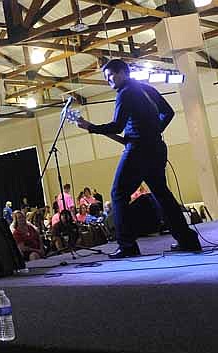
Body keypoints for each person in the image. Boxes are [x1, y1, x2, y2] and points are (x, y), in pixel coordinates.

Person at [73, 58, 200, 258]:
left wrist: (91, 127)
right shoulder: (146, 89)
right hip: (157, 148)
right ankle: (187, 239)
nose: (109, 81)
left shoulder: (124, 94)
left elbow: (117, 126)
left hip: (138, 150)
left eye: (110, 76)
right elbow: (168, 112)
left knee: (118, 194)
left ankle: (127, 246)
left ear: (122, 73)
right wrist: (154, 131)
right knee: (161, 194)